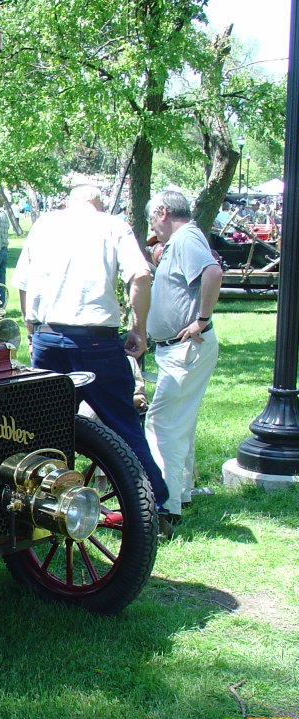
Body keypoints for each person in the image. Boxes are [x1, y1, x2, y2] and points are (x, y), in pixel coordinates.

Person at [14, 184, 170, 515]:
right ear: (97, 203)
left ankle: (45, 497)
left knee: (45, 427)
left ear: (70, 203)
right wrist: (139, 330)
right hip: (96, 339)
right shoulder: (112, 225)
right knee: (122, 423)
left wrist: (31, 329)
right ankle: (154, 501)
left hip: (48, 336)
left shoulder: (44, 225)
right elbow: (141, 275)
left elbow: (23, 284)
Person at [144, 189, 223, 537]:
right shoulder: (183, 240)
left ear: (162, 212)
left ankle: (166, 504)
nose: (153, 231)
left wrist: (201, 320)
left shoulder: (187, 237)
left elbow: (213, 273)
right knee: (179, 422)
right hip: (177, 348)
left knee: (162, 422)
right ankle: (182, 493)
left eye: (152, 222)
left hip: (185, 348)